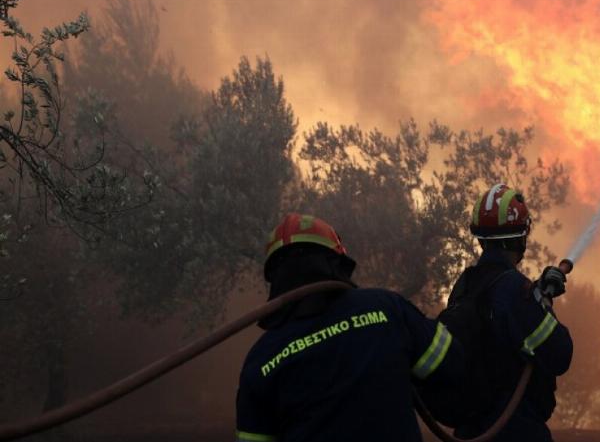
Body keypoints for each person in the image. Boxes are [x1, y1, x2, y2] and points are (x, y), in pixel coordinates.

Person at [235, 213, 463, 442]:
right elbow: (453, 366)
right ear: (336, 261)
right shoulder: (386, 308)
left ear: (274, 276)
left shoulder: (261, 360)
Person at [447, 183, 573, 441]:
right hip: (516, 428)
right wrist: (542, 303)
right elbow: (560, 353)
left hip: (471, 429)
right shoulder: (514, 289)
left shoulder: (465, 285)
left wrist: (536, 293)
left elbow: (504, 322)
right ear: (520, 237)